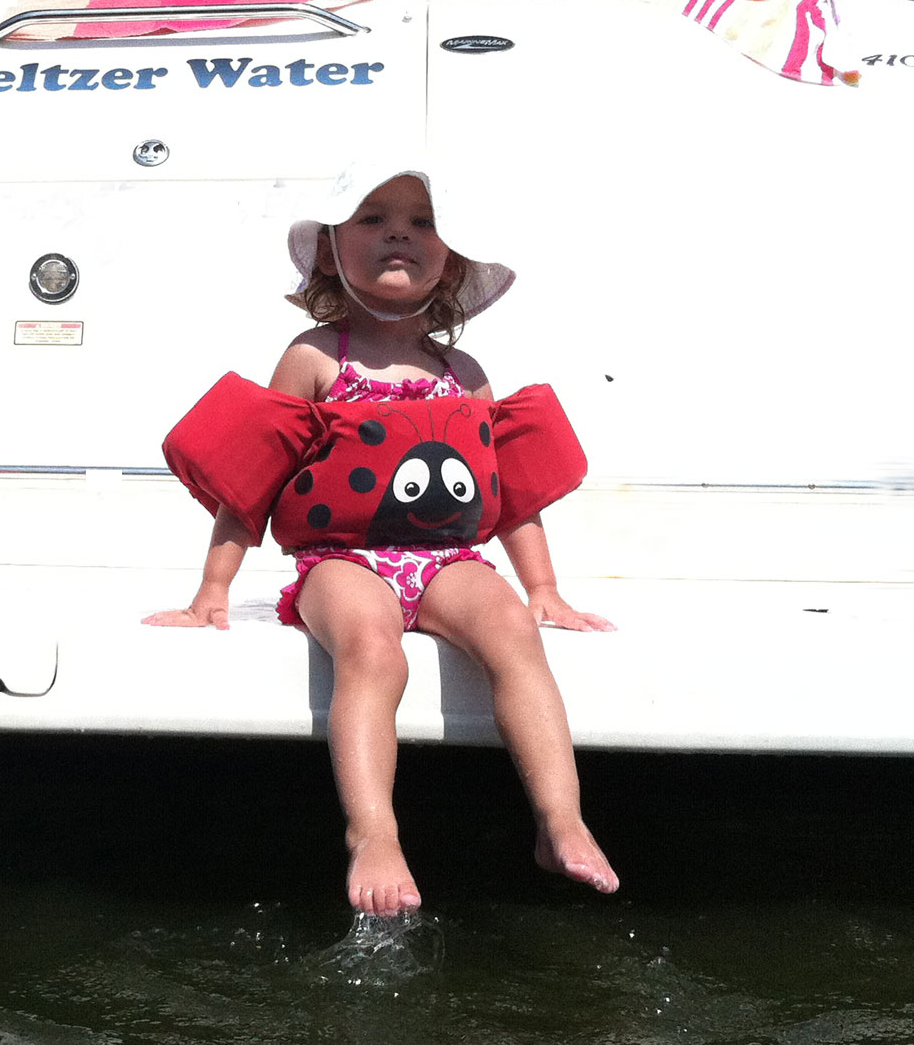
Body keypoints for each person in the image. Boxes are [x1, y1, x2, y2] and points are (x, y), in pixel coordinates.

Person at [145, 167, 617, 915]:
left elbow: (510, 492)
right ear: (331, 252)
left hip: (446, 561)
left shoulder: (462, 371)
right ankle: (373, 833)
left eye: (422, 222)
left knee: (512, 632)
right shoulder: (315, 357)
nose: (399, 231)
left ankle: (560, 821)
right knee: (370, 643)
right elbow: (252, 472)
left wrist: (544, 590)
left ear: (451, 259)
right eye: (371, 217)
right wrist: (213, 591)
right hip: (341, 560)